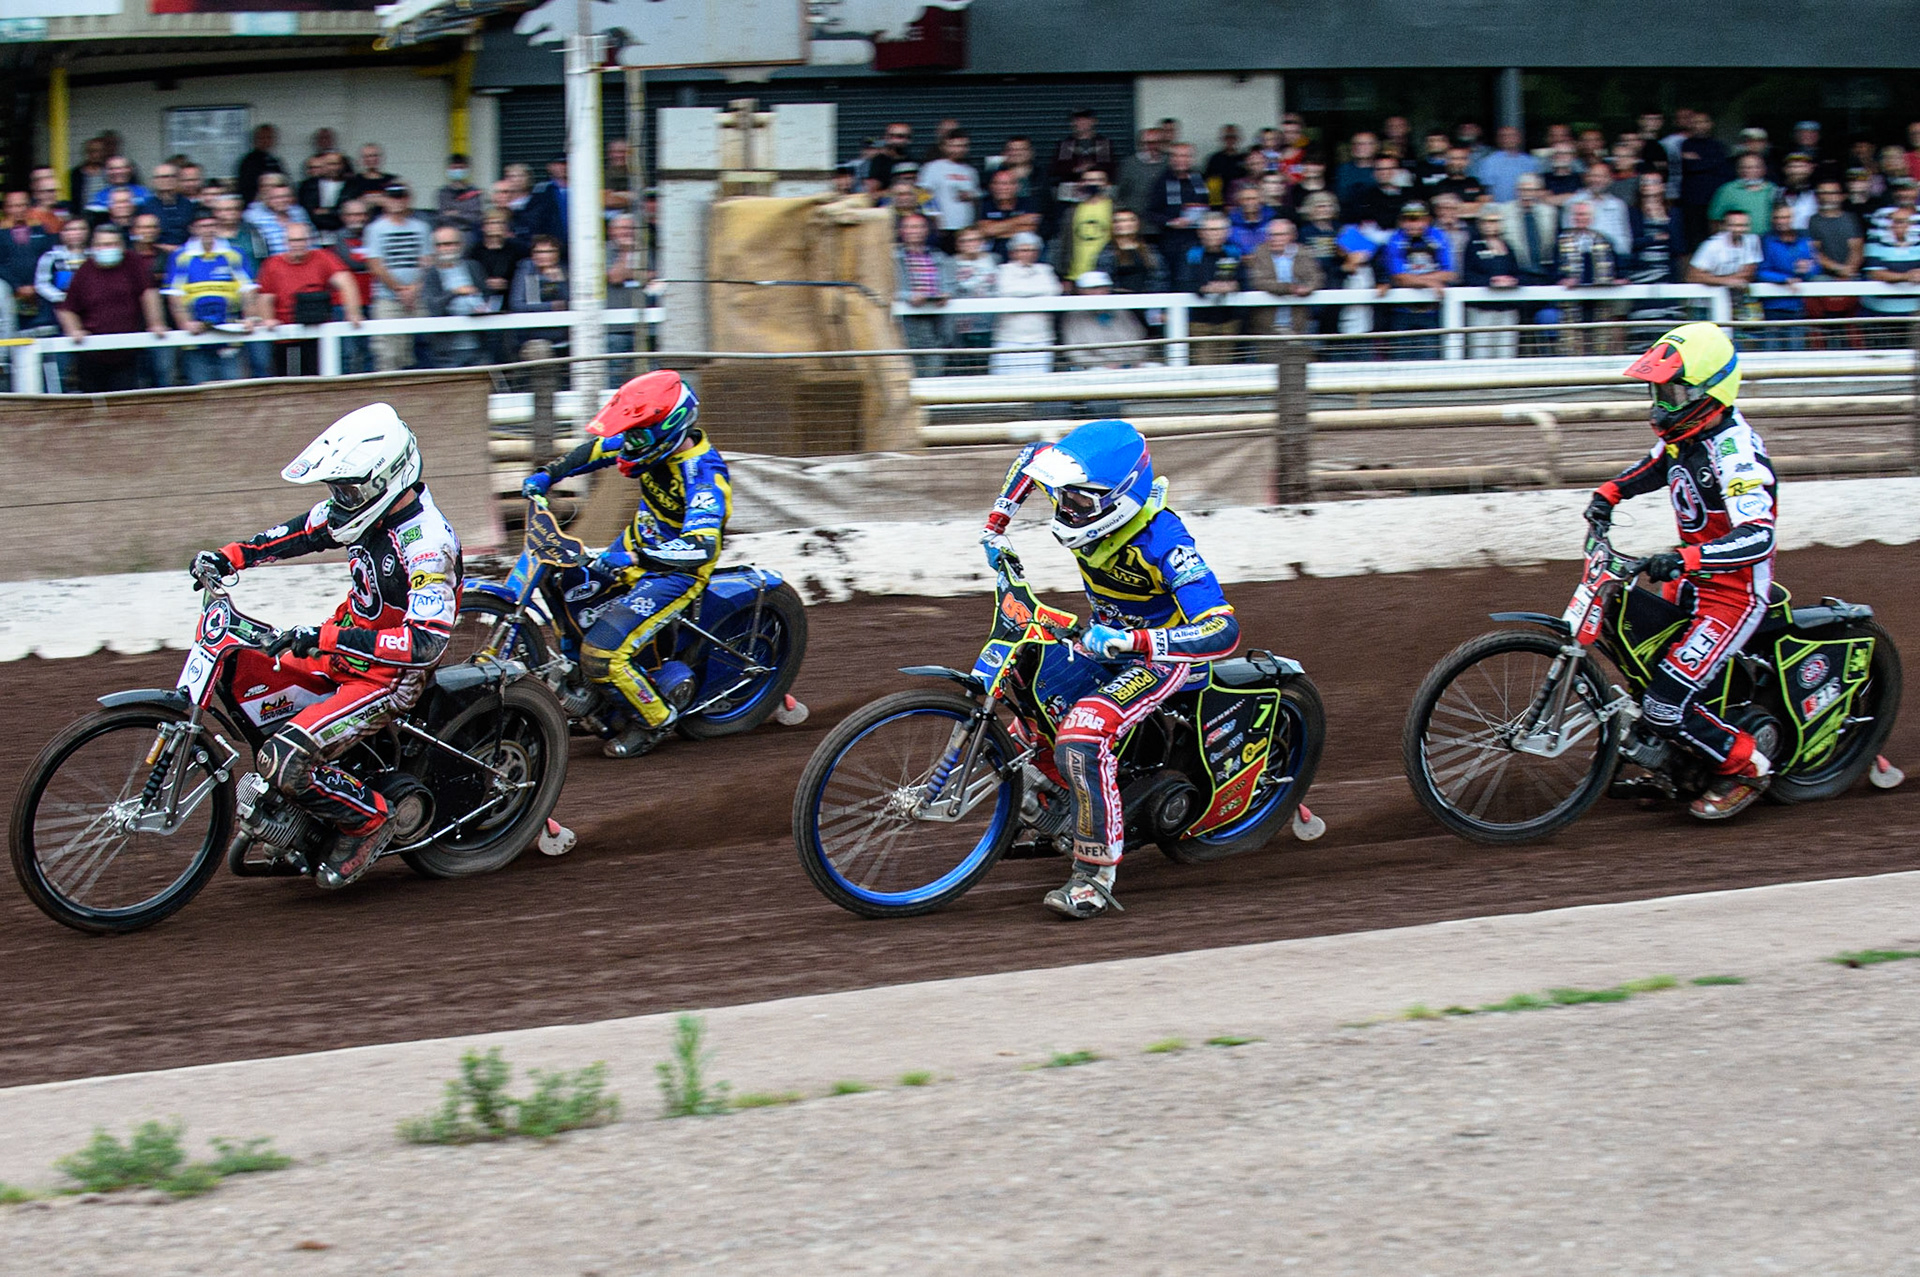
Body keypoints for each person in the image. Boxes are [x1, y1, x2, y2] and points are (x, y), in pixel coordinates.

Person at [977, 419, 1239, 917]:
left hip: (1160, 657)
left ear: (1118, 499)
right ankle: (1054, 796)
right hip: (1101, 641)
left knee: (1082, 732)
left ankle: (1094, 876)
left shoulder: (1166, 541)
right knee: (1024, 677)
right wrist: (997, 524)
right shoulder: (1085, 495)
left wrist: (1134, 640)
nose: (1063, 508)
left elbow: (1222, 628)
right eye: (1062, 498)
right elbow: (1033, 456)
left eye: (1077, 502)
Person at [190, 405, 461, 887]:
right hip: (341, 650)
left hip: (388, 678)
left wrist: (326, 637)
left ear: (388, 479)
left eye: (349, 489)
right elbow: (300, 532)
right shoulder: (360, 512)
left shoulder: (427, 544)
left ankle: (369, 820)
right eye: (337, 489)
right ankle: (302, 802)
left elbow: (426, 644)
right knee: (245, 669)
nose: (340, 500)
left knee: (284, 756)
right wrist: (230, 556)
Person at [1585, 323, 1776, 820]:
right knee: (1644, 663)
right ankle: (1677, 760)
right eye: (1658, 391)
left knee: (1665, 704)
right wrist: (1609, 493)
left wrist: (1689, 558)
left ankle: (1747, 767)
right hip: (1690, 579)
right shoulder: (1684, 439)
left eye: (1675, 391)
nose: (1662, 403)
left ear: (1710, 392)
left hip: (1731, 596)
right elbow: (1653, 467)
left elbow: (1760, 535)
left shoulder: (1737, 454)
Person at [519, 372, 726, 758]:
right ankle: (583, 684)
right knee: (560, 580)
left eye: (638, 435)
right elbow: (599, 449)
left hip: (673, 573)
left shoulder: (703, 475)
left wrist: (635, 557)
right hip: (632, 550)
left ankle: (654, 720)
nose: (629, 444)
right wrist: (548, 474)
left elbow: (702, 546)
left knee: (602, 654)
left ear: (669, 427)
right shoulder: (648, 444)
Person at [53, 224, 167, 392]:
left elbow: (149, 292)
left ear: (121, 245)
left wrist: (155, 323)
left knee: (126, 402)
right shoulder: (85, 271)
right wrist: (74, 330)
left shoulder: (133, 262)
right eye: (102, 245)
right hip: (92, 354)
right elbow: (66, 308)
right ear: (93, 247)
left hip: (128, 353)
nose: (107, 249)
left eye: (112, 244)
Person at [254, 221, 362, 376]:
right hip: (287, 337)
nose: (298, 244)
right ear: (286, 242)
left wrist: (353, 312)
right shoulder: (273, 264)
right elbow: (265, 297)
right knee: (291, 381)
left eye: (302, 240)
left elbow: (346, 282)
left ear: (309, 240)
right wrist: (267, 319)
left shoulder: (323, 257)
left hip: (320, 333)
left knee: (321, 378)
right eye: (293, 240)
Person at [164, 212, 259, 384]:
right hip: (196, 339)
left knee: (233, 391)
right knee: (200, 394)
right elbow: (175, 296)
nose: (207, 230)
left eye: (211, 225)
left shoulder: (234, 253)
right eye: (202, 226)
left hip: (230, 337)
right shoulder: (180, 256)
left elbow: (248, 290)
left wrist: (250, 317)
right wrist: (186, 323)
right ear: (193, 229)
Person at [362, 184, 433, 370]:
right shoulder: (375, 229)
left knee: (420, 349)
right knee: (388, 353)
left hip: (418, 298)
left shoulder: (422, 227)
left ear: (408, 199)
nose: (397, 201)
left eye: (401, 196)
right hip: (388, 300)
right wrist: (400, 289)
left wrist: (414, 289)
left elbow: (427, 261)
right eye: (392, 196)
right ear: (385, 200)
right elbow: (375, 264)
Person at [1380, 201, 1454, 357]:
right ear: (1401, 221)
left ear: (1427, 220)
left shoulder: (1438, 236)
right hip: (1402, 312)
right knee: (1401, 362)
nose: (1414, 224)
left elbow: (1450, 273)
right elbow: (1399, 278)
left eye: (1418, 219)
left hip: (1431, 312)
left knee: (1429, 361)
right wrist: (1431, 281)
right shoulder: (1395, 239)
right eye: (1408, 219)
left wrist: (1416, 279)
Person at [989, 231, 1061, 374]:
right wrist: (1037, 293)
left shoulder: (1045, 270)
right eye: (1023, 250)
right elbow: (1005, 290)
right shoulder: (1004, 270)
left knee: (1038, 385)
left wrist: (1022, 293)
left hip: (1041, 337)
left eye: (1031, 250)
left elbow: (1053, 290)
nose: (1027, 254)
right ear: (1013, 252)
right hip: (1008, 338)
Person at [1178, 211, 1245, 364]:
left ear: (1227, 231)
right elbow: (1183, 281)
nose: (1215, 234)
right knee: (1204, 368)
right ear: (1201, 232)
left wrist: (1234, 285)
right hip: (1200, 322)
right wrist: (1206, 288)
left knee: (1228, 368)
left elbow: (1244, 279)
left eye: (1220, 229)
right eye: (1210, 230)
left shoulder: (1234, 251)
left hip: (1229, 321)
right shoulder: (1191, 253)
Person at [894, 211, 956, 376]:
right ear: (902, 231)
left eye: (918, 227)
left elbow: (951, 285)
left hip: (936, 325)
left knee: (934, 374)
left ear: (926, 230)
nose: (914, 231)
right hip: (906, 327)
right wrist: (908, 296)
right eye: (909, 227)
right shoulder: (892, 259)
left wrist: (946, 294)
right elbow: (886, 290)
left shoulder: (939, 257)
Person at [1243, 216, 1323, 335]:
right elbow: (1259, 281)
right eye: (1272, 235)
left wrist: (1308, 288)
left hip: (1298, 323)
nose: (1275, 239)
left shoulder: (1304, 252)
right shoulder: (1260, 252)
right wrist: (1289, 288)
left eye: (1281, 234)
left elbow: (1316, 277)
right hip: (1266, 325)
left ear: (1292, 236)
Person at [1755, 205, 1818, 349]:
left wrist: (1808, 268)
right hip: (1772, 307)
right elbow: (1759, 271)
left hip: (1797, 306)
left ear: (1792, 219)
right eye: (1777, 218)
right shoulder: (1766, 241)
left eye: (1785, 217)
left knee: (1796, 353)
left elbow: (1816, 267)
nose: (1781, 221)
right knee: (1771, 352)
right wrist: (1784, 279)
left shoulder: (1804, 241)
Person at [1461, 208, 1522, 357]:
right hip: (1482, 310)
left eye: (1494, 221)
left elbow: (1518, 271)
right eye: (1486, 221)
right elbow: (1467, 276)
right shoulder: (1473, 245)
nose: (1490, 225)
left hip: (1507, 309)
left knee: (1506, 353)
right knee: (1480, 354)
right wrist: (1490, 281)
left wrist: (1513, 281)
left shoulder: (1508, 246)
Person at [1060, 270, 1146, 366]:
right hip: (1095, 368)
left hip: (1130, 364)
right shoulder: (1073, 317)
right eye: (1093, 289)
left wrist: (1133, 362)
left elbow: (1139, 340)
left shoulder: (1122, 311)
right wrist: (1103, 364)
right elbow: (1075, 353)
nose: (1099, 292)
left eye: (1103, 288)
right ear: (1081, 291)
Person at [916, 131, 982, 252]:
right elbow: (922, 194)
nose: (958, 150)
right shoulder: (932, 167)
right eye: (954, 146)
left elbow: (977, 198)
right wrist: (934, 218)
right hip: (942, 229)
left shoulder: (971, 171)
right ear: (945, 147)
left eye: (962, 146)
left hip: (966, 230)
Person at [1094, 209, 1168, 295]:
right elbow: (1102, 280)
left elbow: (1160, 277)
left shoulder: (1149, 250)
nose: (1124, 224)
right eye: (1119, 221)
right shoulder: (1106, 253)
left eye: (1130, 220)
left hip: (1148, 300)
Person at [975, 166, 1041, 261]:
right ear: (991, 186)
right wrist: (1021, 220)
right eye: (997, 183)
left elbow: (1031, 228)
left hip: (1022, 256)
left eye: (1006, 184)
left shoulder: (1028, 203)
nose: (1001, 188)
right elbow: (986, 231)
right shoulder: (985, 204)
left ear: (1017, 187)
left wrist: (997, 229)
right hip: (992, 256)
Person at [140, 161, 202, 253]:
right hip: (156, 253)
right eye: (161, 177)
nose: (166, 180)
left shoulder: (189, 205)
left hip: (187, 252)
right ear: (154, 181)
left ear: (177, 179)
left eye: (170, 176)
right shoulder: (145, 207)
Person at [436, 153, 485, 238]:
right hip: (449, 234)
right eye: (454, 168)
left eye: (461, 168)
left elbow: (475, 218)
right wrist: (464, 213)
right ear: (448, 169)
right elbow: (443, 217)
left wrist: (455, 214)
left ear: (468, 169)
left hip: (469, 234)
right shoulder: (443, 193)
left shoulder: (474, 192)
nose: (458, 170)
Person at [235, 125, 286, 206]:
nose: (266, 141)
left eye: (269, 137)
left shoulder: (274, 160)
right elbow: (247, 188)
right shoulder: (249, 161)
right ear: (256, 140)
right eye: (262, 138)